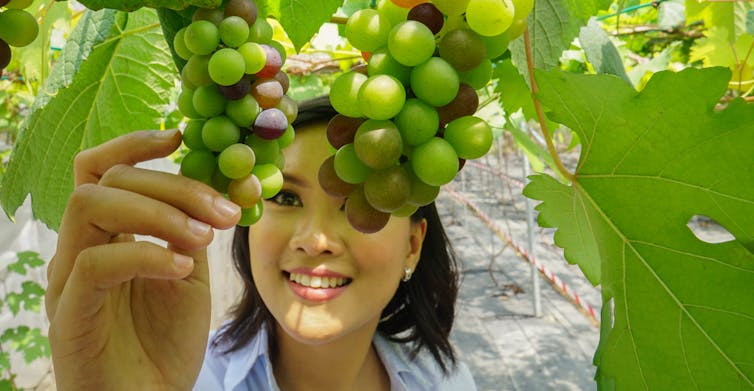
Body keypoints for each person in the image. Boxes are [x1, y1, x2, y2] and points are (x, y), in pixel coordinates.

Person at [46, 95, 476, 390]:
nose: (315, 240)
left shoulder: (444, 379)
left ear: (413, 246)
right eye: (285, 197)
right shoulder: (189, 378)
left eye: (356, 205)